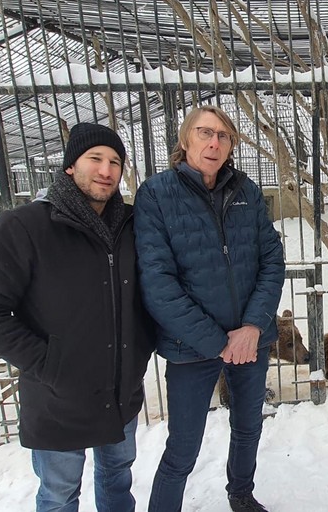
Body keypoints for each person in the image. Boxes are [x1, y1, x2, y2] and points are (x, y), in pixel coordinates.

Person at [0, 123, 155, 511]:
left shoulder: (131, 225)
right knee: (59, 494)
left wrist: (140, 349)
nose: (106, 170)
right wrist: (47, 363)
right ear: (70, 166)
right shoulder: (25, 227)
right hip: (57, 395)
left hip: (120, 392)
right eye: (95, 159)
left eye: (115, 162)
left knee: (117, 480)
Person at [134, 105, 285, 512]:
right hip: (191, 345)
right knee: (183, 445)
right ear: (185, 140)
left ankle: (241, 493)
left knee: (248, 426)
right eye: (204, 133)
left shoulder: (246, 191)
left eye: (223, 135)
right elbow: (158, 282)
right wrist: (218, 342)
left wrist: (253, 325)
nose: (214, 142)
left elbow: (272, 259)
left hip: (250, 339)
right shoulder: (156, 194)